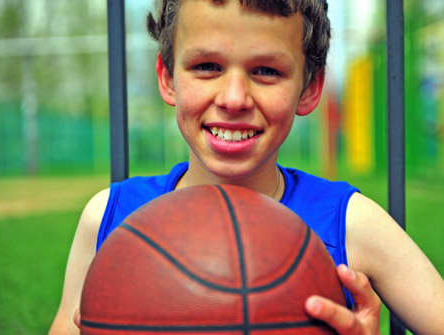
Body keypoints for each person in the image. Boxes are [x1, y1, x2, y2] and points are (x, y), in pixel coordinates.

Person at [49, 0, 444, 334]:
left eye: (266, 71)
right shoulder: (108, 217)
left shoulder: (353, 224)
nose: (234, 98)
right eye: (206, 66)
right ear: (168, 77)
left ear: (309, 88)